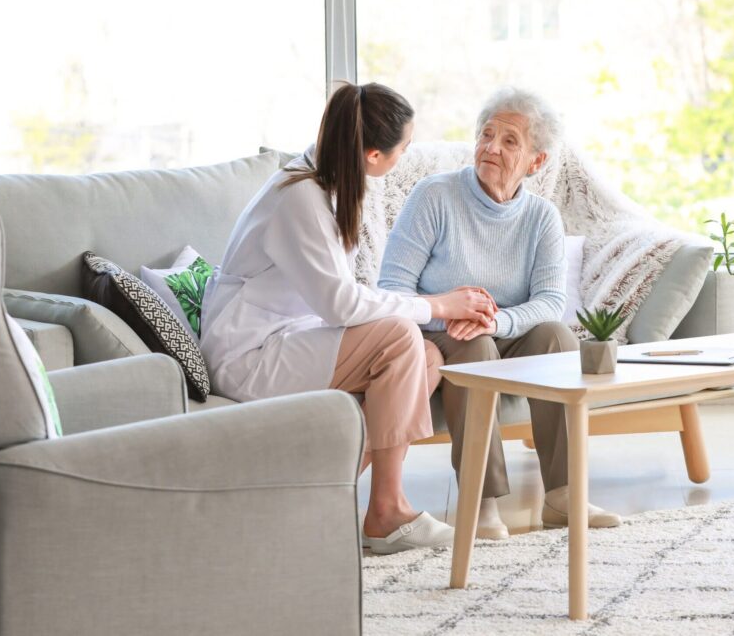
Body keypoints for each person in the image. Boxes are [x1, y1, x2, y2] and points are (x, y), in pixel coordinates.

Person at [200, 82, 497, 554]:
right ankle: (387, 512)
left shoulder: (323, 186)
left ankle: (311, 495)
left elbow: (342, 299)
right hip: (249, 358)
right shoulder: (298, 198)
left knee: (426, 357)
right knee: (403, 338)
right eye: (403, 148)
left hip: (286, 340)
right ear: (374, 155)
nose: (405, 156)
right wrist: (437, 304)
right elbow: (340, 305)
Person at [378, 86, 622, 539]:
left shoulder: (542, 218)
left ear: (537, 161)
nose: (491, 147)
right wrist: (450, 315)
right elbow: (392, 290)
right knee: (474, 344)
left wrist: (497, 320)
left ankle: (563, 494)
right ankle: (481, 501)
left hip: (502, 330)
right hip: (437, 332)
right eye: (486, 134)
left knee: (556, 338)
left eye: (510, 141)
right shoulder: (435, 197)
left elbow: (550, 301)